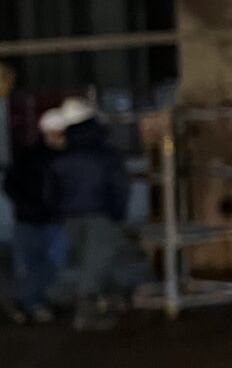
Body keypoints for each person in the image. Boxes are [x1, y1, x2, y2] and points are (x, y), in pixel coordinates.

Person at [47, 99, 139, 330]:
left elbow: (50, 190)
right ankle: (89, 313)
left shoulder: (61, 156)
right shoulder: (106, 154)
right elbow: (120, 186)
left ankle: (115, 297)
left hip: (71, 216)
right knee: (97, 262)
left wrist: (58, 211)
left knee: (91, 262)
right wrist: (118, 214)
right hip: (102, 214)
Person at [2, 107, 68, 324]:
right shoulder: (35, 157)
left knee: (44, 264)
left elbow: (10, 184)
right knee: (40, 264)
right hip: (36, 218)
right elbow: (11, 185)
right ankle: (32, 303)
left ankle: (27, 302)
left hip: (38, 218)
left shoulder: (30, 155)